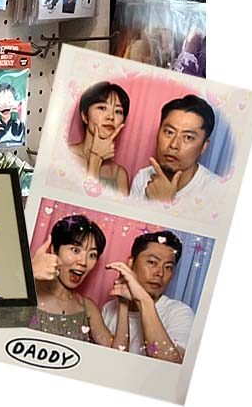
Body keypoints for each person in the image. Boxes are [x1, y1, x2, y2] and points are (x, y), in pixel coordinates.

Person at [102, 231, 194, 363]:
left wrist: (143, 299)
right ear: (130, 263)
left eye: (168, 267)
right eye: (152, 262)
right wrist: (124, 303)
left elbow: (170, 364)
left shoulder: (179, 313)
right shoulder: (109, 309)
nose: (160, 273)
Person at [29, 215, 115, 345]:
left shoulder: (88, 308)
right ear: (54, 250)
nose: (83, 262)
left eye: (92, 255)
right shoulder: (25, 293)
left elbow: (117, 353)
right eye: (75, 250)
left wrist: (125, 304)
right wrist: (28, 274)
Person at [130, 95, 222, 206]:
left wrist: (163, 203)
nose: (173, 145)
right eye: (169, 132)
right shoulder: (142, 178)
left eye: (188, 137)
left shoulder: (217, 191)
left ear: (204, 146)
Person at [68, 82, 130, 195]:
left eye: (118, 111)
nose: (111, 117)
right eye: (102, 108)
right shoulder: (64, 156)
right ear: (85, 116)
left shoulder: (119, 174)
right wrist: (95, 158)